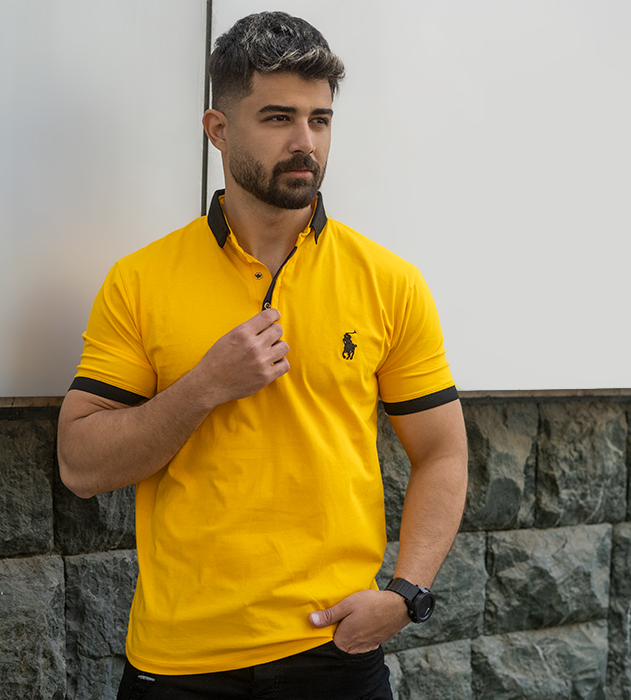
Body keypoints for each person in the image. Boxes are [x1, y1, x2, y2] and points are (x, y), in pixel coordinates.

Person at [57, 11, 468, 700]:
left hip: (335, 652)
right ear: (218, 129)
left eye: (320, 119)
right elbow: (80, 465)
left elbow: (443, 453)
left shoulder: (389, 282)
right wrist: (204, 386)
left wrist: (407, 594)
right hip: (180, 664)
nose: (305, 142)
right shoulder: (140, 280)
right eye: (278, 118)